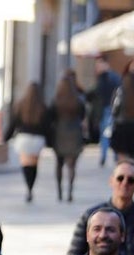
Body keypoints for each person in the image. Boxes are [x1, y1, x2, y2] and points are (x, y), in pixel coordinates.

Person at [67, 160, 134, 255]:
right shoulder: (91, 216)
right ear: (111, 181)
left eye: (131, 180)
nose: (124, 183)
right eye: (120, 178)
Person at [5, 83, 49, 203]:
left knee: (25, 165)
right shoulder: (42, 107)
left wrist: (5, 137)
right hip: (37, 139)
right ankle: (31, 187)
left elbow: (13, 123)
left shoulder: (21, 105)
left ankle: (28, 187)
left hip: (24, 138)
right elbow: (47, 127)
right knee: (34, 166)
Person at [50, 70, 86, 203]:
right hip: (75, 133)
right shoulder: (78, 100)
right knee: (72, 165)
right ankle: (70, 191)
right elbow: (83, 115)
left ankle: (59, 191)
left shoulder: (56, 100)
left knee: (59, 164)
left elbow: (51, 117)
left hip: (59, 133)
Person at [108, 67, 134, 165]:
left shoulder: (120, 92)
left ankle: (122, 175)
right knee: (133, 159)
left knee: (122, 159)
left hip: (122, 127)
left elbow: (114, 109)